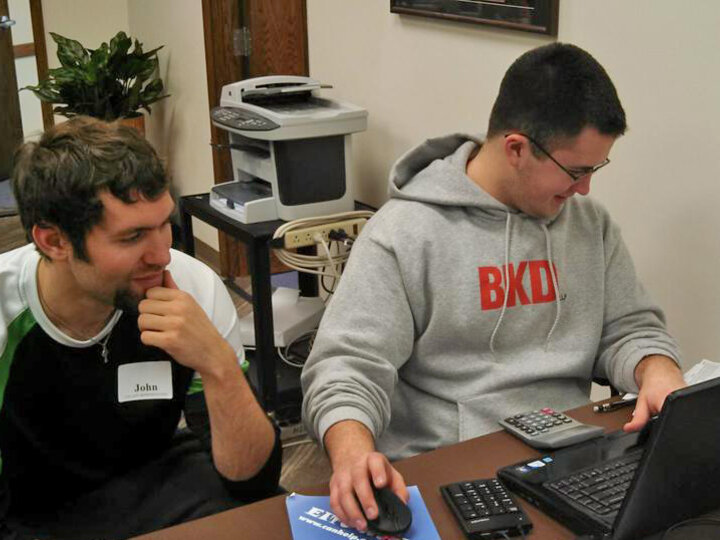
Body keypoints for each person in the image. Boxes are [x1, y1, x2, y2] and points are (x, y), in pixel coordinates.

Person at [301, 43, 686, 533]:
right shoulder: (405, 233)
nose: (585, 189)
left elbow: (629, 328)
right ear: (516, 148)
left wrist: (657, 371)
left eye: (595, 170)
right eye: (576, 171)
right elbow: (347, 366)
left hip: (571, 458)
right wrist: (352, 450)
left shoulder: (590, 226)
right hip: (451, 468)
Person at [0, 117, 281, 539]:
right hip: (30, 509)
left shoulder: (192, 287)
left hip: (155, 481)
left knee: (271, 521)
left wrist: (218, 366)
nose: (162, 255)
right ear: (54, 242)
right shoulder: (7, 315)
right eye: (132, 237)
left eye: (164, 223)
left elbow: (252, 482)